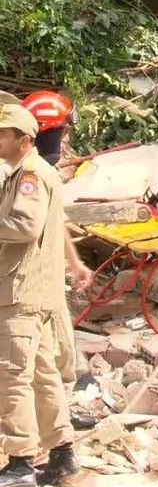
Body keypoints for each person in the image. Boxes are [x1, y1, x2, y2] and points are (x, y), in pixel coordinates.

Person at [0, 104, 80, 486]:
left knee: (13, 376)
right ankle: (62, 454)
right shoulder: (35, 171)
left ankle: (19, 462)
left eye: (3, 134)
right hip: (40, 291)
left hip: (21, 292)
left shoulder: (29, 173)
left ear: (24, 140)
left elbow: (24, 225)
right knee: (43, 375)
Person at [23, 91, 94, 386]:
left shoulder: (46, 172)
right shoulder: (23, 174)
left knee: (60, 348)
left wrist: (74, 262)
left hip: (49, 277)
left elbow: (55, 218)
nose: (67, 140)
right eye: (64, 132)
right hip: (26, 281)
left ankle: (66, 392)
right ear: (48, 132)